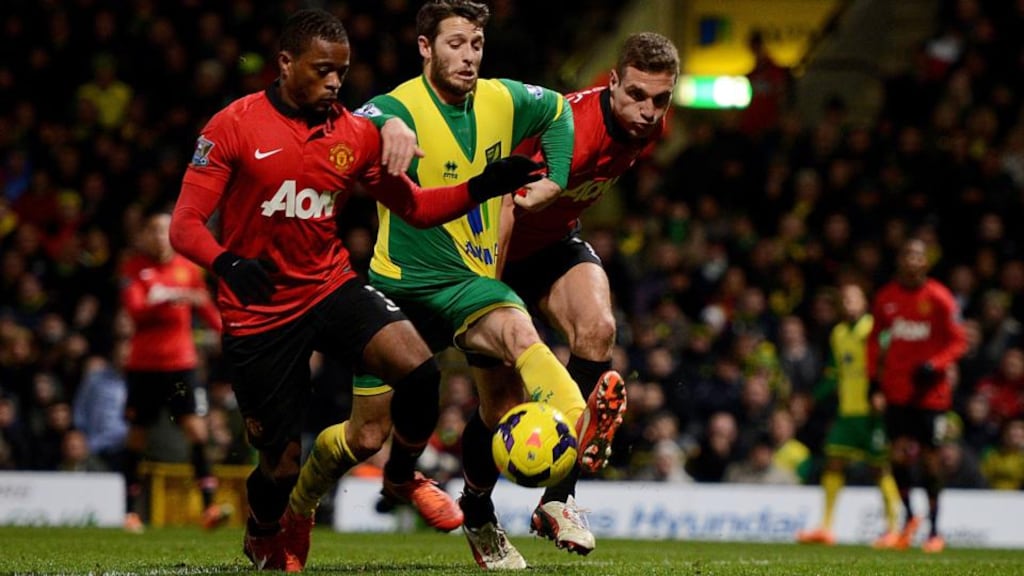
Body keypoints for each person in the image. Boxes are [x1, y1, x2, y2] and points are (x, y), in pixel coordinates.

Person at [169, 8, 543, 572]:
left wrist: (482, 186)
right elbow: (184, 226)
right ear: (286, 63)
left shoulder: (351, 134)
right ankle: (265, 525)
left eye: (341, 72)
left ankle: (400, 476)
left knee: (419, 372)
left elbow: (415, 207)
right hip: (259, 311)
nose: (334, 83)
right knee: (280, 463)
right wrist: (227, 264)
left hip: (330, 285)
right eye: (322, 71)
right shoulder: (234, 125)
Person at [350, 0, 626, 569]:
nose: (469, 56)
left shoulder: (503, 99)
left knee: (512, 374)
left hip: (471, 283)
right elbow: (357, 122)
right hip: (400, 283)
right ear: (425, 47)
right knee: (366, 437)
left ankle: (559, 443)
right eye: (455, 44)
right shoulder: (399, 103)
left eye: (476, 44)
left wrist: (553, 177)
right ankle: (365, 487)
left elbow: (555, 111)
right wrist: (389, 126)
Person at [499, 32, 678, 555]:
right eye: (637, 96)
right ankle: (477, 508)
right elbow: (507, 202)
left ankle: (558, 500)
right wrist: (485, 285)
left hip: (554, 242)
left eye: (660, 100)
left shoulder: (650, 127)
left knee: (599, 330)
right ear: (613, 81)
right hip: (495, 246)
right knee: (494, 406)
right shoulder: (573, 130)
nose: (648, 112)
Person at [119, 208, 230, 534]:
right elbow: (136, 311)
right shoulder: (134, 268)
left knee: (197, 431)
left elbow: (206, 307)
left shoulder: (188, 269)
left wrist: (228, 335)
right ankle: (130, 513)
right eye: (153, 230)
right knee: (138, 437)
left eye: (164, 230)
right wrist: (170, 297)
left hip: (181, 366)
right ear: (144, 235)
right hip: (144, 367)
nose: (158, 237)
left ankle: (209, 507)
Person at [867, 238, 967, 553]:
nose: (912, 260)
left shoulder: (939, 298)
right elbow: (873, 342)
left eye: (918, 255)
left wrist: (934, 364)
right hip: (897, 392)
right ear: (899, 260)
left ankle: (935, 531)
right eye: (907, 254)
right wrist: (874, 381)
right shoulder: (886, 298)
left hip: (930, 394)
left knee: (930, 460)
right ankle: (909, 519)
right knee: (897, 456)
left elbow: (959, 341)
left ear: (926, 262)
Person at [796, 282, 901, 547]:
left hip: (871, 412)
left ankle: (893, 530)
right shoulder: (838, 334)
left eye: (853, 298)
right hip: (847, 412)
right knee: (833, 461)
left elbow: (889, 364)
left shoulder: (875, 330)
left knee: (879, 468)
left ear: (864, 302)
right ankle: (826, 528)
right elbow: (834, 375)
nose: (848, 303)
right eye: (844, 299)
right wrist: (812, 397)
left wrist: (885, 394)